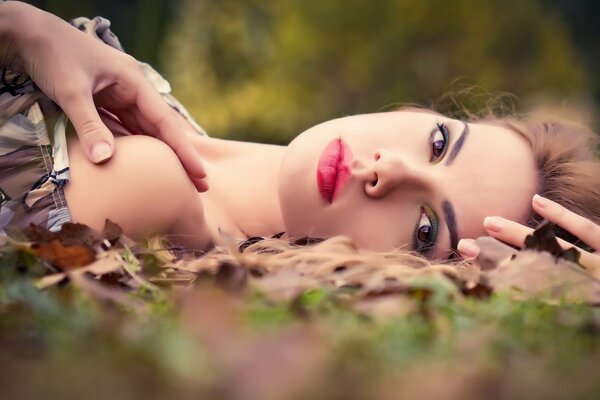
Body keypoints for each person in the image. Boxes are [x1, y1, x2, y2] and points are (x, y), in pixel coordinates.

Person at [1, 1, 599, 270]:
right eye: (439, 143)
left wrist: (19, 26)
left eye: (424, 231)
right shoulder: (168, 126)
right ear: (423, 111)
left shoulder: (156, 191)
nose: (386, 169)